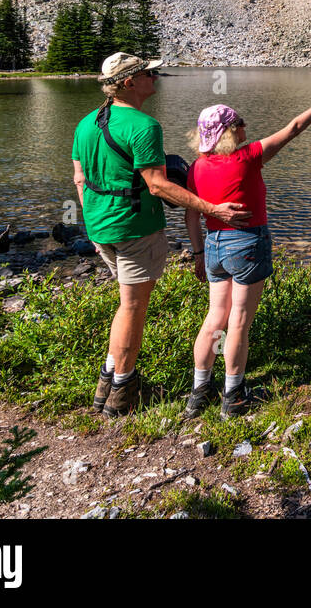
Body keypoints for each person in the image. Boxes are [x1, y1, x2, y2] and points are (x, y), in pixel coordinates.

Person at [71, 52, 252, 417]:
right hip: (135, 228)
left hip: (102, 228)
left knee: (125, 305)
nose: (156, 77)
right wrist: (212, 209)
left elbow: (80, 178)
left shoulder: (86, 123)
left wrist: (91, 226)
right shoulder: (143, 126)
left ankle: (107, 379)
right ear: (128, 82)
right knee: (133, 308)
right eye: (148, 74)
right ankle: (123, 388)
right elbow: (157, 186)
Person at [182, 89, 311, 419]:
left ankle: (199, 393)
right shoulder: (249, 157)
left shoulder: (196, 167)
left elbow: (190, 215)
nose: (245, 127)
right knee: (239, 320)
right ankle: (234, 395)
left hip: (213, 245)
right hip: (246, 245)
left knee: (216, 317)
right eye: (239, 123)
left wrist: (198, 253)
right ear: (229, 131)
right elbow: (294, 128)